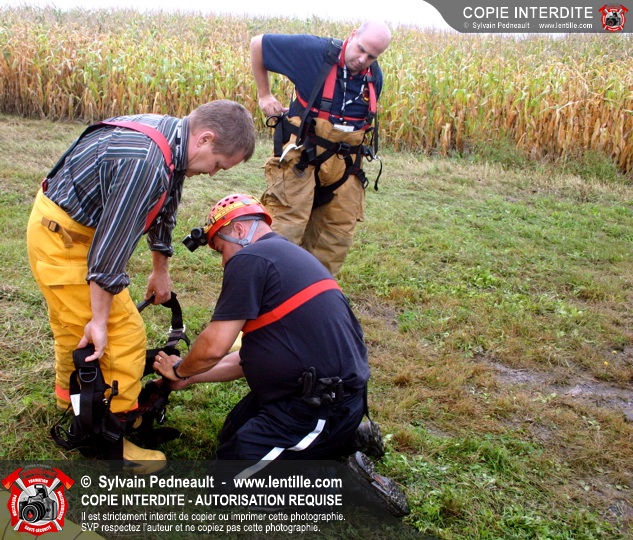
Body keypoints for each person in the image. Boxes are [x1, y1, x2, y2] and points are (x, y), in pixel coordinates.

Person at [26, 100, 256, 468]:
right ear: (206, 139)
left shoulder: (172, 139)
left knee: (73, 327)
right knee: (123, 334)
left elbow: (166, 204)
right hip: (67, 242)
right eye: (218, 164)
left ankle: (73, 400)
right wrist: (101, 320)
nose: (214, 173)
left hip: (66, 228)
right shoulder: (146, 163)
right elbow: (108, 252)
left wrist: (160, 269)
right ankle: (107, 436)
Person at [153, 193, 409, 517]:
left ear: (240, 230)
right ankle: (344, 439)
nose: (222, 262)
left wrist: (180, 370)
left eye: (220, 249)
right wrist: (190, 379)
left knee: (229, 484)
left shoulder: (250, 259)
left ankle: (345, 482)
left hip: (320, 405)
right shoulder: (284, 256)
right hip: (316, 393)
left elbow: (215, 345)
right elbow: (249, 359)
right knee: (232, 435)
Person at [250, 20, 391, 276]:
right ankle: (268, 284)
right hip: (302, 156)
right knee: (286, 225)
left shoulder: (373, 77)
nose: (363, 59)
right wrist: (264, 95)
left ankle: (314, 288)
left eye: (372, 56)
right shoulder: (314, 52)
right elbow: (258, 44)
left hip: (346, 164)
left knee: (335, 234)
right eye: (360, 49)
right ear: (352, 35)